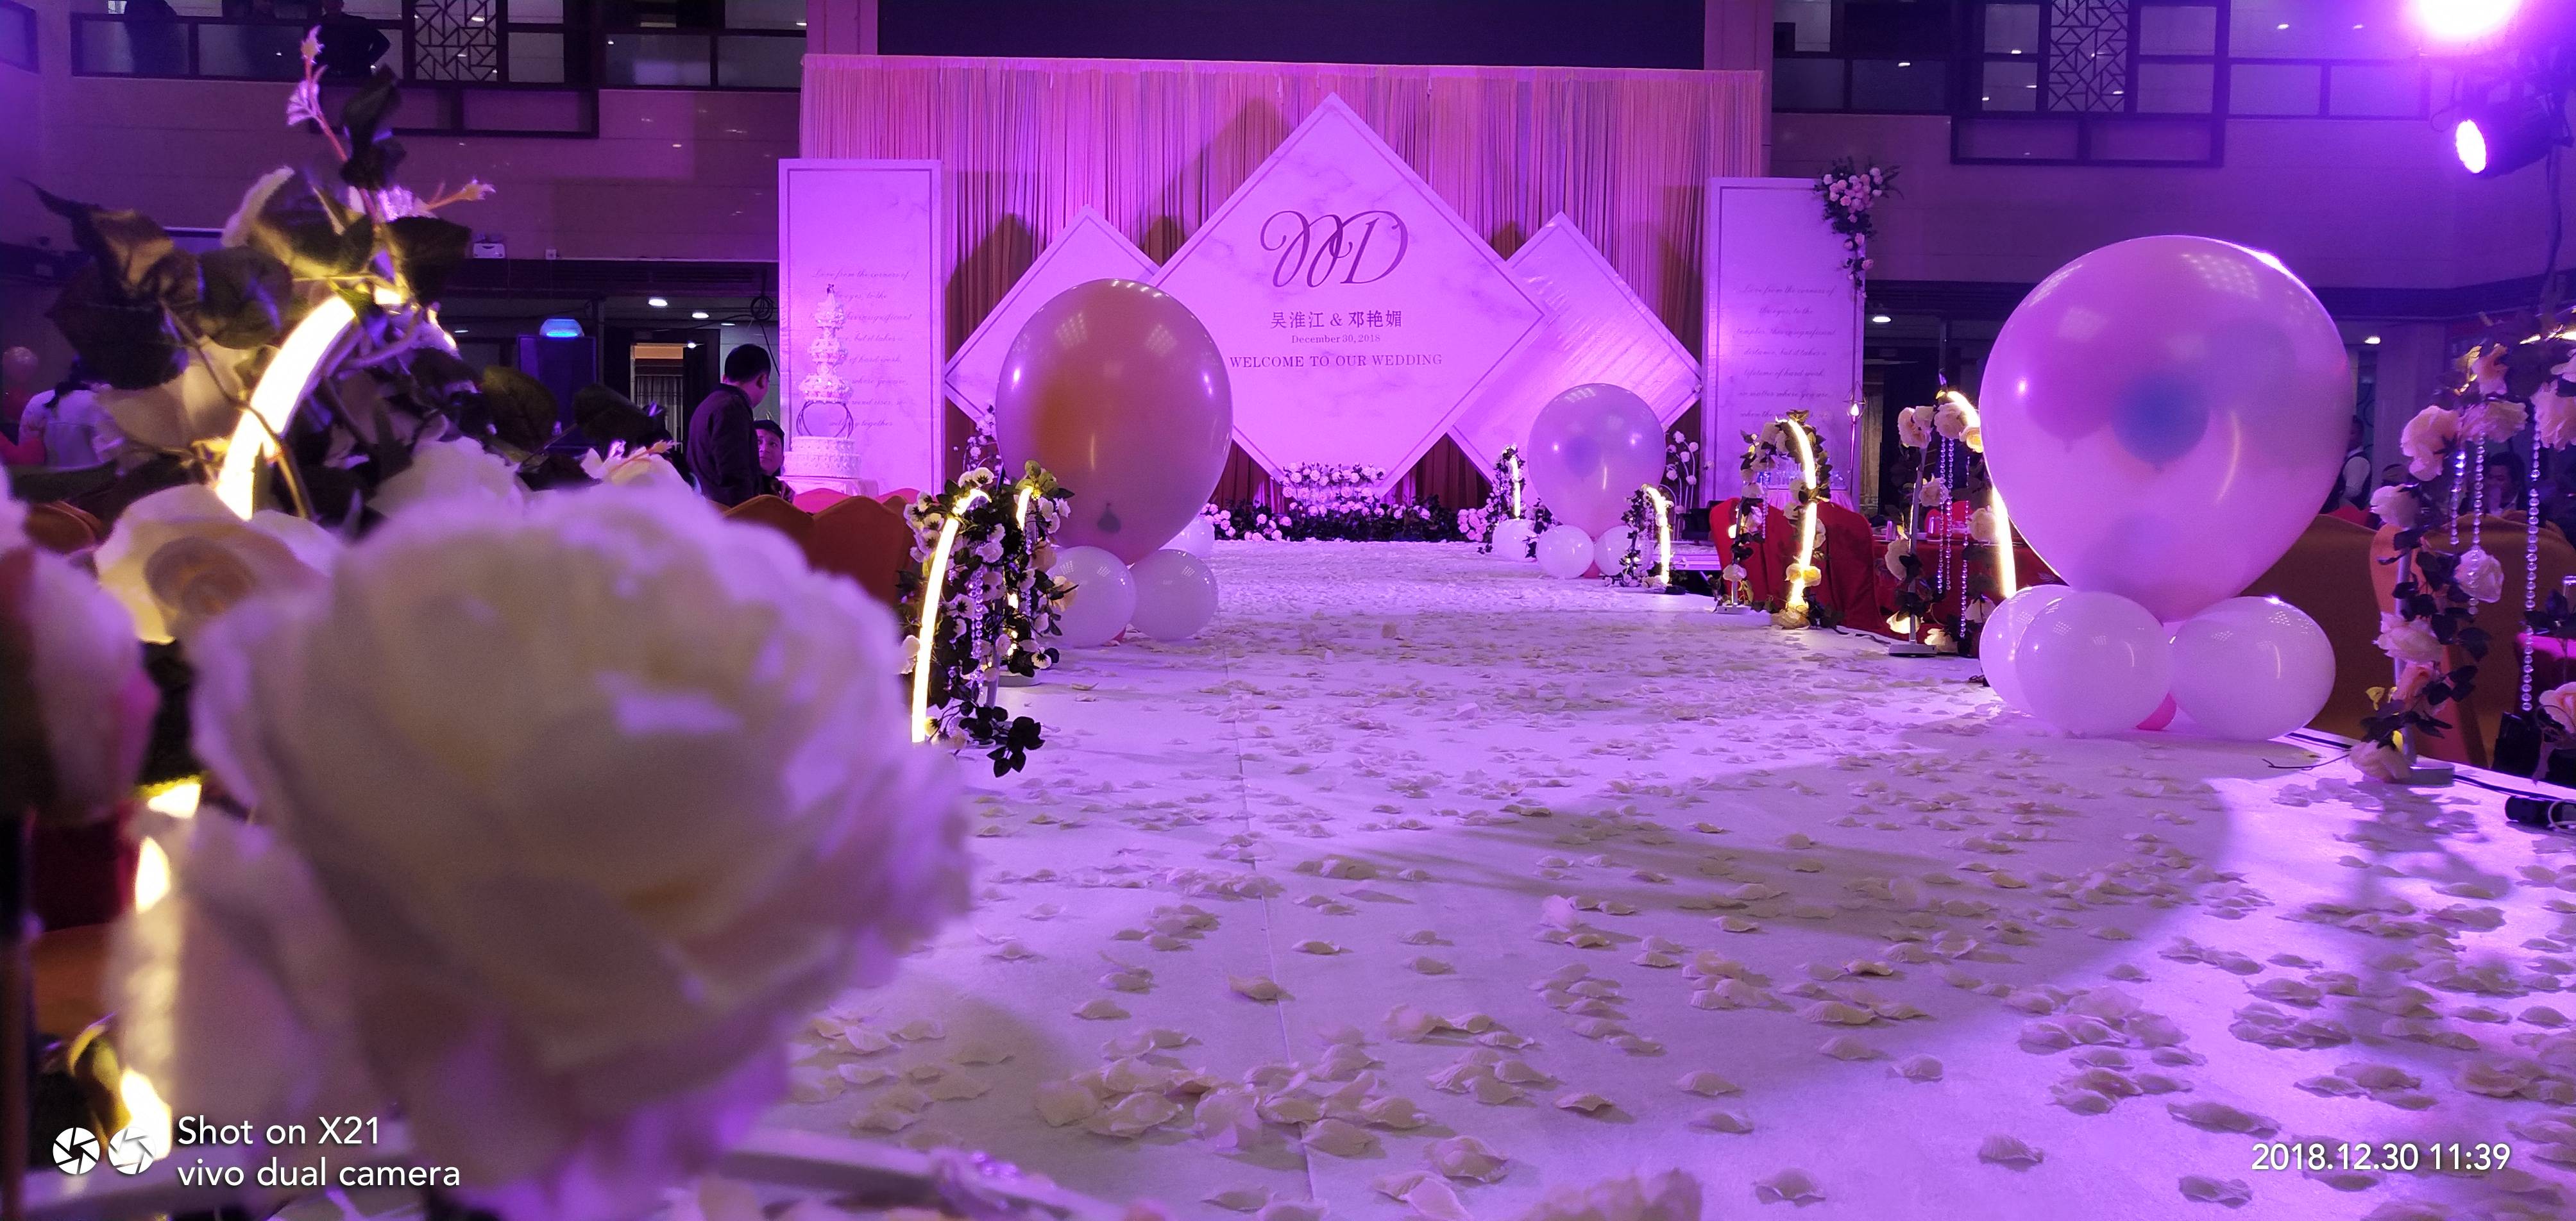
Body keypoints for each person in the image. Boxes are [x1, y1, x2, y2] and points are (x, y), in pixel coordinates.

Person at [686, 345, 768, 508]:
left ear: (725, 377)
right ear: (762, 379)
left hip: (706, 509)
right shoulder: (732, 407)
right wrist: (748, 514)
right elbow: (734, 473)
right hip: (726, 514)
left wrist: (766, 483)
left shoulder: (710, 403)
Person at [17, 365, 119, 469]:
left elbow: (26, 458)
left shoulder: (37, 402)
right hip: (93, 479)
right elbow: (114, 461)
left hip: (44, 479)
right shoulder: (103, 405)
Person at [314, 0, 390, 81]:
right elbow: (383, 43)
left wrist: (366, 61)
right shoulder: (358, 23)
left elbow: (383, 43)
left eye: (334, 2)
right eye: (329, 2)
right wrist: (366, 62)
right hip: (355, 75)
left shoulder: (317, 26)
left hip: (330, 76)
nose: (332, 4)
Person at [752, 418, 790, 499]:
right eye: (758, 442)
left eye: (773, 444)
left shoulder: (785, 494)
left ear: (782, 459)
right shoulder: (733, 486)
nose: (765, 449)